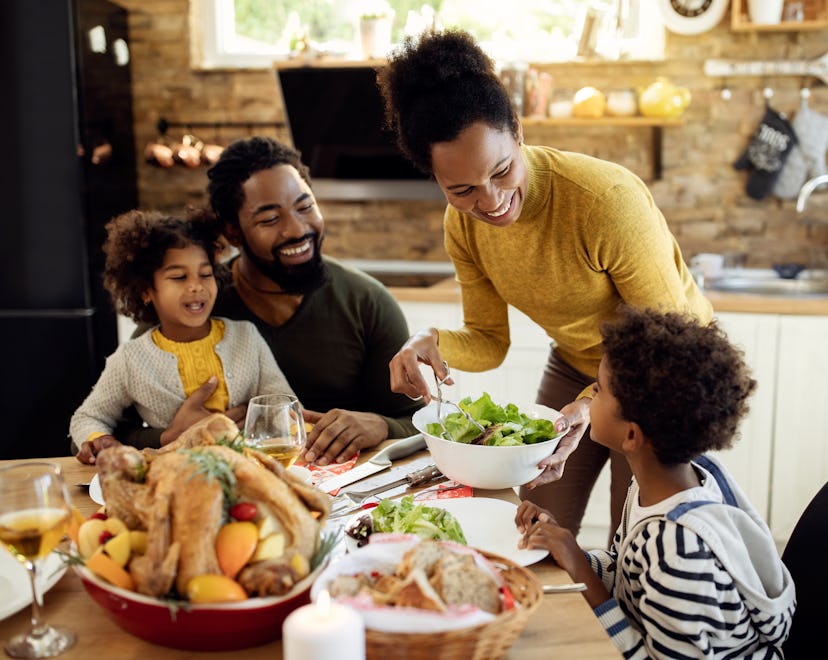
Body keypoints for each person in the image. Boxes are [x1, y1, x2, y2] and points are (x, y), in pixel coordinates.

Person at [380, 29, 712, 541]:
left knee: (643, 539)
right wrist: (430, 344)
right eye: (462, 189)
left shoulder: (603, 200)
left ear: (517, 128)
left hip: (662, 375)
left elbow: (668, 341)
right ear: (435, 177)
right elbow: (490, 342)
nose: (489, 202)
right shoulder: (461, 224)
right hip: (578, 361)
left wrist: (597, 399)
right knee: (532, 524)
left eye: (502, 170)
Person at [122, 137, 422, 466]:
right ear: (233, 232)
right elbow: (110, 429)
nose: (297, 229)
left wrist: (380, 425)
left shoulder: (368, 302)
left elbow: (418, 424)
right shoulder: (193, 301)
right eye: (269, 219)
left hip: (350, 495)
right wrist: (170, 436)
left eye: (305, 206)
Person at [515, 306, 795, 658]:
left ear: (631, 436)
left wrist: (581, 572)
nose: (588, 398)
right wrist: (569, 549)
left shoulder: (678, 551)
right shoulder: (668, 484)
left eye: (598, 390)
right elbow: (628, 571)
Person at [71, 208, 295, 464]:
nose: (196, 286)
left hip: (250, 466)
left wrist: (256, 418)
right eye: (179, 276)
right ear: (145, 290)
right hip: (176, 474)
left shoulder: (246, 337)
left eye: (205, 274)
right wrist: (100, 438)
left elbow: (283, 406)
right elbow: (88, 416)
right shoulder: (130, 360)